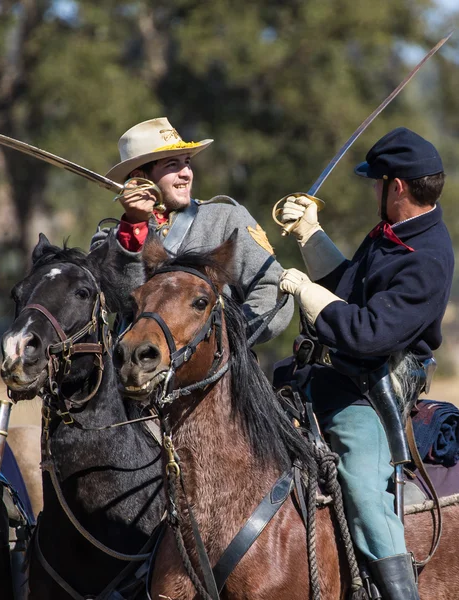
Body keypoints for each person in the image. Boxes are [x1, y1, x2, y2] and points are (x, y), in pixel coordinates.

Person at [279, 127, 454, 600]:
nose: (373, 189)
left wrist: (309, 295)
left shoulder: (428, 257)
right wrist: (310, 235)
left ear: (396, 187)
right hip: (333, 370)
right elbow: (347, 291)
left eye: (376, 182)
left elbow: (367, 334)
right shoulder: (391, 234)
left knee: (360, 477)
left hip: (374, 386)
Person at [91, 117, 293, 343]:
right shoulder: (111, 241)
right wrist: (135, 225)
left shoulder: (225, 218)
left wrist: (228, 339)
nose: (186, 173)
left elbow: (273, 288)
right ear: (140, 179)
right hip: (137, 368)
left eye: (186, 162)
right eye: (172, 165)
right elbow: (118, 299)